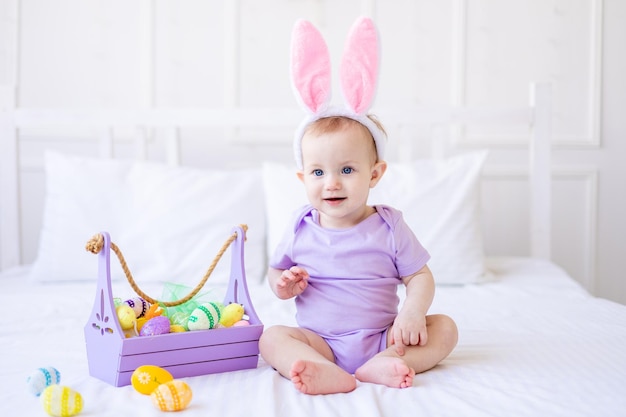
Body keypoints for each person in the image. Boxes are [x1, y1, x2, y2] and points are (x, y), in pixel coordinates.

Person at [258, 17, 458, 394]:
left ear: (375, 174)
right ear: (303, 179)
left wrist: (412, 312)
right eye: (318, 172)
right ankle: (320, 368)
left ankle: (386, 364)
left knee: (445, 328)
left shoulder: (389, 226)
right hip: (320, 340)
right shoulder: (300, 225)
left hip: (385, 337)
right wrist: (283, 287)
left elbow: (420, 277)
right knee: (271, 338)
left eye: (347, 169)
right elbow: (275, 273)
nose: (331, 182)